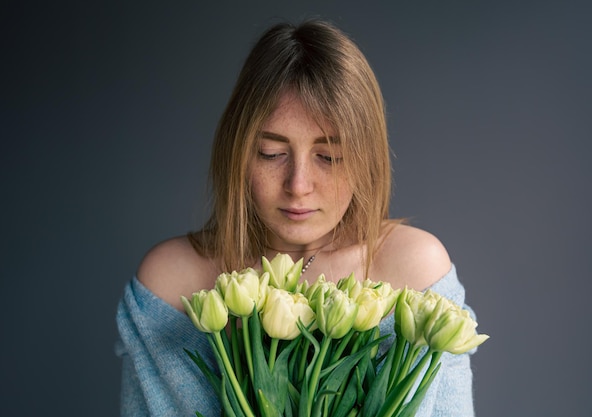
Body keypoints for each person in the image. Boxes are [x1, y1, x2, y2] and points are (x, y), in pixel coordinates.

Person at [116, 19, 477, 416]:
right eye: (271, 153)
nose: (298, 184)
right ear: (237, 152)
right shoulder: (171, 283)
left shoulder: (415, 269)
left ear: (367, 158)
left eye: (329, 157)